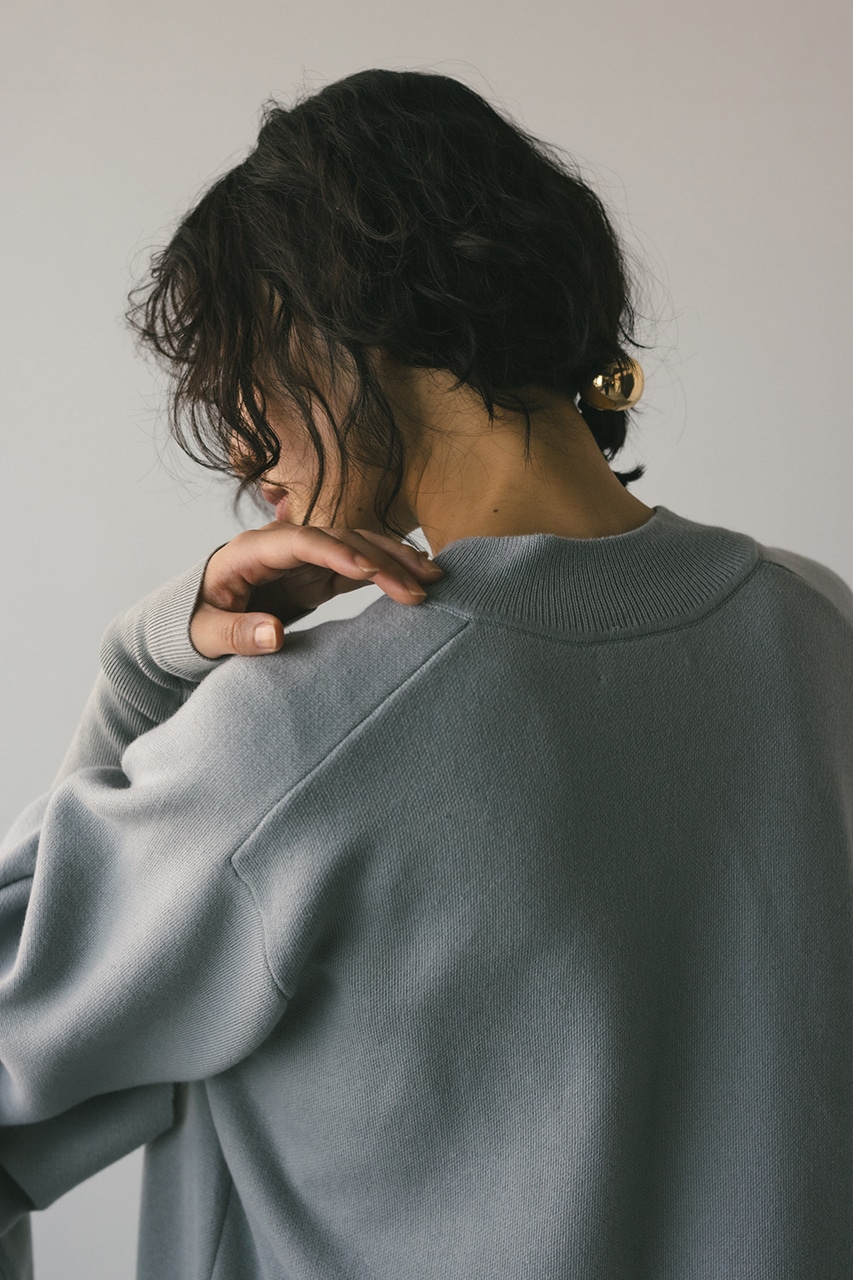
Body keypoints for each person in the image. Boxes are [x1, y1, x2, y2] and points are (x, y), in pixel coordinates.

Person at [1, 68, 851, 1280]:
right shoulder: (817, 631)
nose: (241, 448)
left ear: (351, 317)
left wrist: (147, 662)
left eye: (245, 362)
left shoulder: (298, 737)